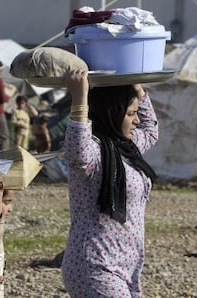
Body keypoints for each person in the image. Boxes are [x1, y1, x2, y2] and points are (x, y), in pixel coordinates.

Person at [61, 70, 158, 297]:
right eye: (130, 114)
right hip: (95, 265)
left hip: (128, 266)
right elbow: (77, 150)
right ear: (113, 114)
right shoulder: (94, 154)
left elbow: (151, 130)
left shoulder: (126, 148)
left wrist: (134, 83)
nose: (137, 120)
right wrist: (80, 97)